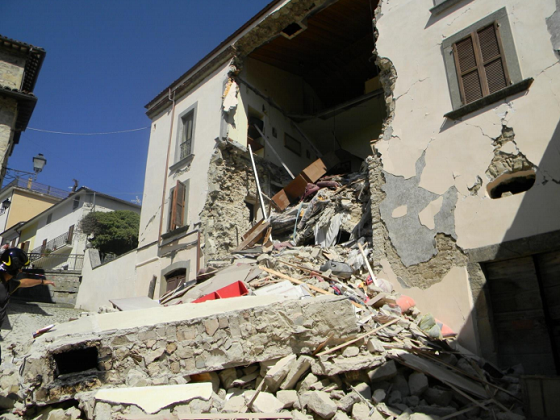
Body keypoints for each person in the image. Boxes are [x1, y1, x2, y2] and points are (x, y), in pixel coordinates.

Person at [0, 248, 55, 359]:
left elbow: (23, 283)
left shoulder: (8, 283)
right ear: (16, 269)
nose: (21, 271)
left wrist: (42, 281)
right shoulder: (5, 285)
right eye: (20, 268)